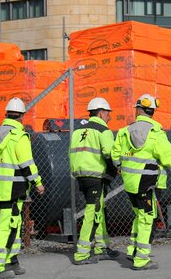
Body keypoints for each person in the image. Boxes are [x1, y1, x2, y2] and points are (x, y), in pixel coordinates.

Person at [111, 94, 171, 271]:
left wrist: (120, 166)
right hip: (147, 183)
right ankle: (141, 259)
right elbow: (169, 158)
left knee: (140, 216)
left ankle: (133, 250)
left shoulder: (124, 132)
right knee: (147, 218)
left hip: (130, 184)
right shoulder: (156, 133)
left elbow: (115, 155)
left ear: (138, 110)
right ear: (152, 112)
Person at [0, 97, 45, 279]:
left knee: (14, 224)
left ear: (6, 115)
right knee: (7, 226)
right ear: (21, 117)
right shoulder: (19, 137)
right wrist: (38, 183)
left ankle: (12, 261)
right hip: (13, 189)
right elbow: (27, 165)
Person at [69, 97, 119, 265]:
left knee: (99, 210)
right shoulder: (103, 131)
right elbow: (110, 154)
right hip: (96, 176)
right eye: (107, 114)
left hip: (82, 176)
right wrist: (115, 169)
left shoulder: (78, 131)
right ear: (101, 113)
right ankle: (82, 254)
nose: (109, 117)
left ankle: (101, 247)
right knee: (92, 213)